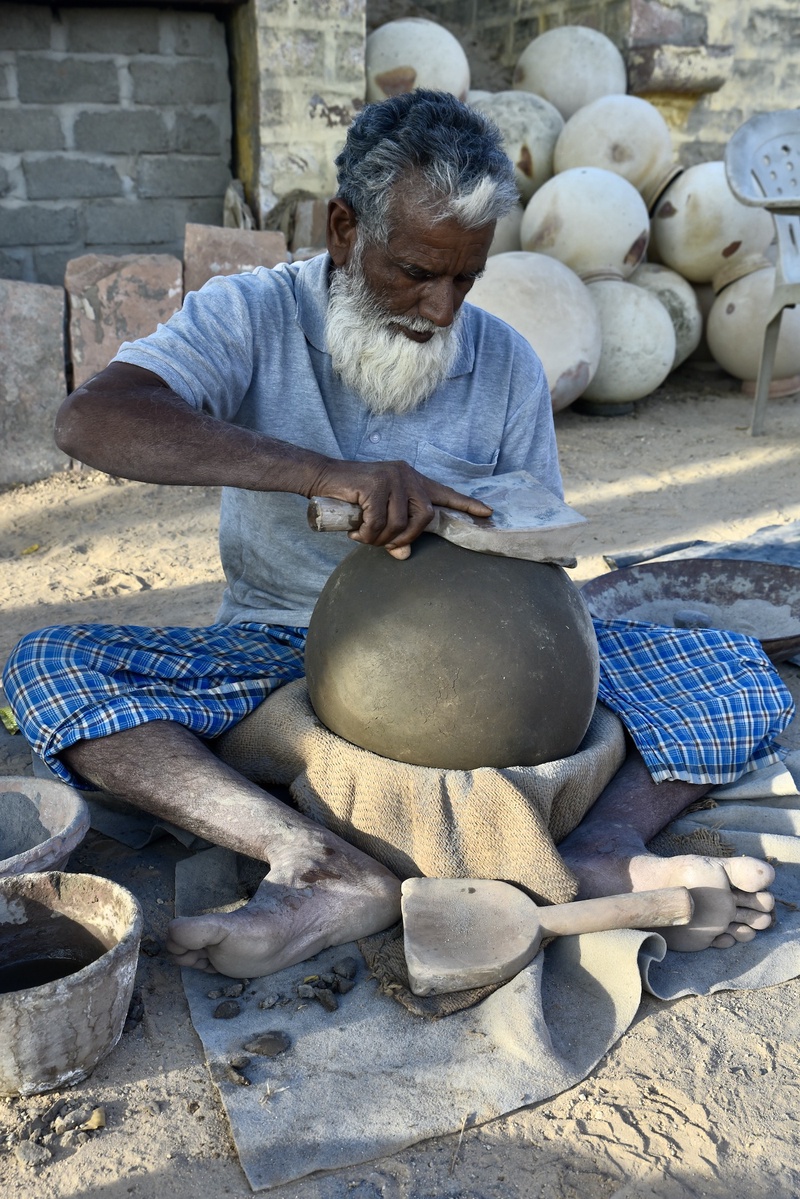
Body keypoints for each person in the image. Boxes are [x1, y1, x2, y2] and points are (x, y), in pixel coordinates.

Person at [3, 92, 793, 980]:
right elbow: (94, 421)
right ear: (344, 229)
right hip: (282, 653)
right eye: (417, 270)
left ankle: (602, 846)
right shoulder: (251, 316)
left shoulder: (504, 363)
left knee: (732, 671)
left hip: (490, 676)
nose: (443, 306)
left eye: (467, 277)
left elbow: (539, 548)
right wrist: (318, 471)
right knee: (47, 665)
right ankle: (317, 862)